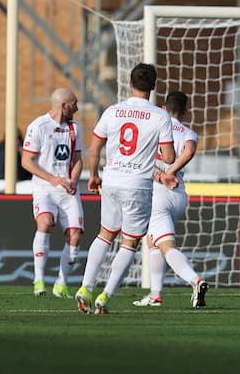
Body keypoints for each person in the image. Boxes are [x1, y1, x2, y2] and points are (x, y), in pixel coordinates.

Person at [74, 63, 175, 315]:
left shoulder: (113, 111)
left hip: (112, 180)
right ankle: (105, 296)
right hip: (138, 185)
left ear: (130, 84)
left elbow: (95, 148)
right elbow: (170, 157)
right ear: (152, 87)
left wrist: (94, 175)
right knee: (129, 243)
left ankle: (85, 287)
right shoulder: (160, 116)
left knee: (105, 234)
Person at [132, 91, 208, 309]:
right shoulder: (188, 132)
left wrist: (162, 174)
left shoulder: (155, 129)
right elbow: (190, 151)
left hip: (157, 193)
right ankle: (155, 295)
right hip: (178, 194)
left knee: (166, 246)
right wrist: (172, 171)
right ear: (186, 111)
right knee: (152, 241)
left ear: (163, 108)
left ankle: (196, 281)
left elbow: (141, 160)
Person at [20, 88, 84, 298]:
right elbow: (26, 161)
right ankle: (39, 279)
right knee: (45, 222)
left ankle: (61, 283)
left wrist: (74, 179)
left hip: (67, 190)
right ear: (63, 105)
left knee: (74, 236)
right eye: (74, 104)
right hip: (44, 188)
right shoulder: (38, 126)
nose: (77, 107)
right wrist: (52, 179)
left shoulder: (75, 128)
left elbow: (76, 160)